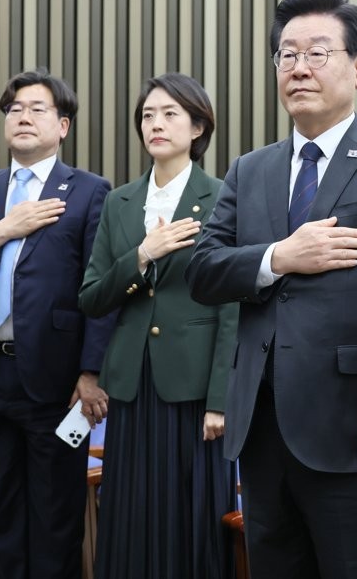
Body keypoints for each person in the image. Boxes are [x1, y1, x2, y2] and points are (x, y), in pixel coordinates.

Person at [185, 0, 357, 579]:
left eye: (317, 53)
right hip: (262, 426)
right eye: (286, 54)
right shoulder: (250, 169)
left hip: (356, 425)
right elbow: (202, 271)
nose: (298, 67)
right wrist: (279, 256)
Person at [0, 69, 113, 578]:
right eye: (14, 109)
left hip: (55, 381)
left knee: (55, 518)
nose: (23, 117)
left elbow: (101, 292)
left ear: (63, 126)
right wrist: (3, 230)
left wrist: (91, 370)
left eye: (37, 108)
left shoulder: (91, 191)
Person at [78, 73, 237, 578]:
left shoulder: (222, 196)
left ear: (197, 126)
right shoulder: (119, 201)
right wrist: (142, 256)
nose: (156, 124)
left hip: (192, 387)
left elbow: (234, 305)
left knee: (192, 512)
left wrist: (221, 399)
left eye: (170, 114)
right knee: (130, 509)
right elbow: (92, 296)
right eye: (148, 115)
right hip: (130, 382)